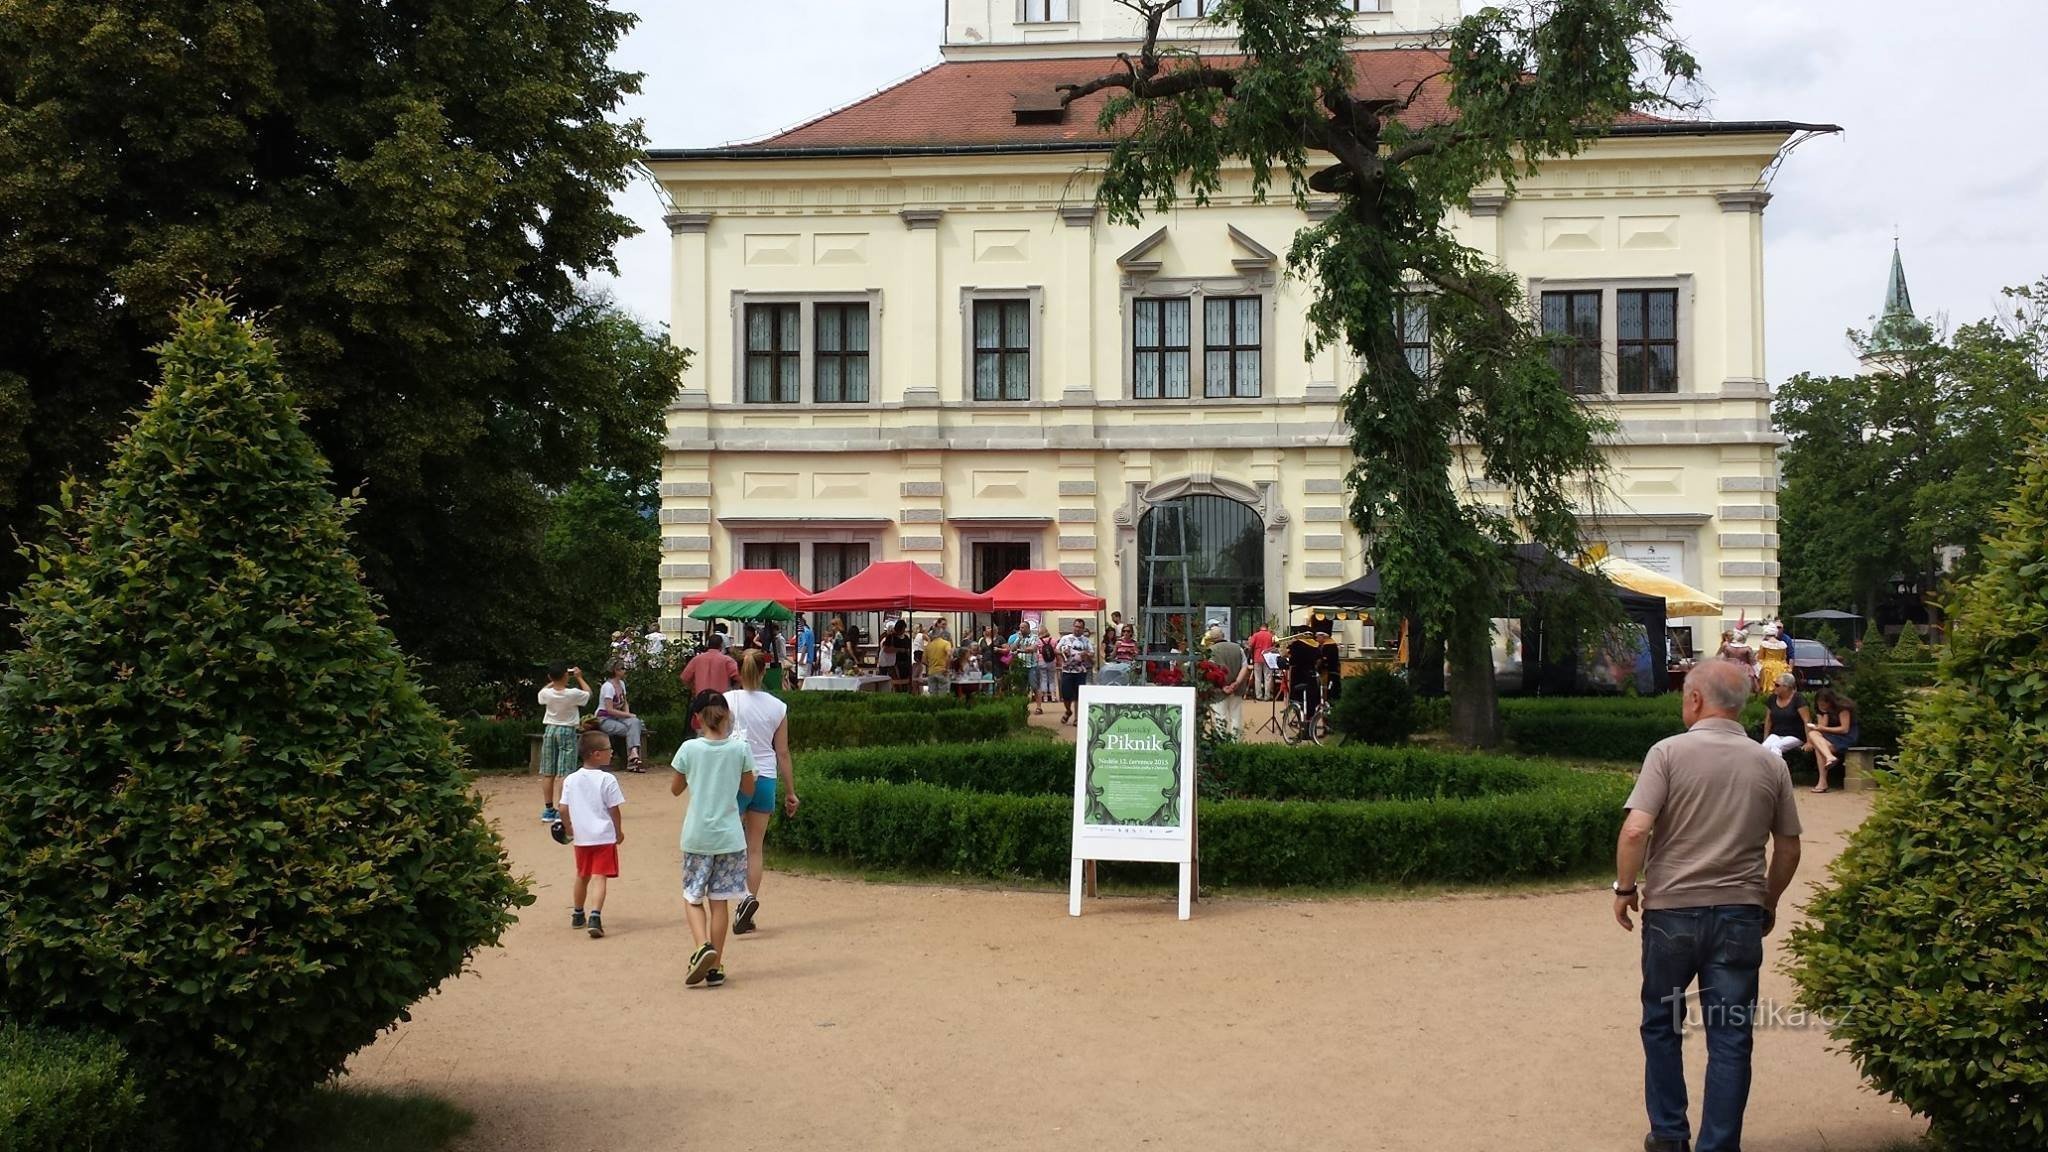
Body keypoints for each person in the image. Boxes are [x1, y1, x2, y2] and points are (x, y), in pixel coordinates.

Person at [1613, 659, 1802, 1152]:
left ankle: (1670, 1135)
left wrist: (1625, 889)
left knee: (1662, 1022)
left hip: (1672, 911)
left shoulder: (1668, 753)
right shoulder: (1770, 762)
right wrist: (1768, 899)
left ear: (1695, 699)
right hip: (1739, 911)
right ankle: (1718, 1145)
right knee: (1731, 1038)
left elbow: (1636, 829)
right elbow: (1789, 847)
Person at [670, 690, 755, 988]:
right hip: (730, 836)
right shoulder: (740, 749)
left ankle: (701, 945)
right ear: (726, 716)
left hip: (697, 836)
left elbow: (675, 789)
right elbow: (748, 790)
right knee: (719, 902)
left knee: (693, 896)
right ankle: (715, 966)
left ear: (697, 718)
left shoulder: (688, 749)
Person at [725, 650, 801, 935]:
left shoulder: (727, 699)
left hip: (735, 775)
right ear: (764, 670)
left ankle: (741, 897)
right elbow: (782, 751)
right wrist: (791, 791)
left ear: (738, 670)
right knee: (755, 847)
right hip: (766, 776)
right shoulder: (777, 706)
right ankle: (748, 904)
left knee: (730, 844)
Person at [557, 729, 626, 939]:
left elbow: (562, 808)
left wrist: (568, 828)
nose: (611, 753)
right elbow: (614, 809)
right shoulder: (608, 779)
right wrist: (618, 832)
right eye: (609, 750)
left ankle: (578, 914)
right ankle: (595, 915)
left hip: (582, 837)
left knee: (582, 875)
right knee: (600, 877)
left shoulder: (570, 779)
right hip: (603, 837)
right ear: (596, 754)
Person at [536, 662, 590, 824]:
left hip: (550, 730)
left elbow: (541, 693)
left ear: (550, 677)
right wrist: (579, 677)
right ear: (566, 675)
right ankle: (562, 809)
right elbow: (588, 693)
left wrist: (553, 680)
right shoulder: (572, 693)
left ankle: (548, 809)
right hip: (567, 731)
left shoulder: (547, 694)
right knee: (564, 772)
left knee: (548, 772)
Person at [680, 634, 739, 733]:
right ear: (721, 645)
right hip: (721, 701)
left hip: (701, 700)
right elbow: (739, 677)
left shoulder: (697, 659)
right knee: (722, 731)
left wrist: (693, 689)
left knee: (702, 732)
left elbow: (684, 678)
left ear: (708, 644)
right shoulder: (727, 660)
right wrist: (734, 689)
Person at [595, 660, 645, 772]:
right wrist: (628, 715)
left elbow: (625, 702)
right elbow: (609, 709)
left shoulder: (621, 684)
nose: (625, 671)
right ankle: (633, 760)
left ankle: (633, 754)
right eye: (622, 668)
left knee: (635, 722)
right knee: (632, 730)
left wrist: (628, 716)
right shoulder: (607, 686)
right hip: (605, 718)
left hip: (618, 717)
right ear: (615, 671)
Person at [1806, 687, 1859, 794]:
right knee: (1813, 734)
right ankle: (1829, 758)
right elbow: (1821, 728)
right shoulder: (1821, 710)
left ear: (1831, 701)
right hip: (1830, 737)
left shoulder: (1842, 708)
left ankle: (1822, 782)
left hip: (1846, 737)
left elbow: (1844, 729)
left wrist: (1822, 729)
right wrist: (1824, 715)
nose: (1821, 705)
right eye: (1819, 702)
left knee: (1818, 747)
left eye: (1824, 703)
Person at [1204, 620, 1250, 738]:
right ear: (1223, 635)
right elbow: (1245, 667)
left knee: (1220, 717)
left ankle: (1222, 742)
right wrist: (1236, 683)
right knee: (1236, 716)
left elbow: (1211, 671)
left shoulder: (1211, 651)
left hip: (1219, 690)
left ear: (1211, 639)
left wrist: (1223, 686)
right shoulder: (1237, 648)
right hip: (1237, 688)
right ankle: (1236, 743)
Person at [1758, 672, 1812, 764]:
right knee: (1764, 748)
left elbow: (1807, 720)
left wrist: (1809, 742)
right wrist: (1765, 738)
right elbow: (1768, 720)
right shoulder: (1772, 698)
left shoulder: (1798, 699)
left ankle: (1779, 773)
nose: (1774, 687)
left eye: (1777, 685)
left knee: (1776, 747)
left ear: (1787, 687)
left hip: (1795, 735)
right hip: (1776, 734)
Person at [1055, 618, 1095, 726]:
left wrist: (1085, 654)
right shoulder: (1065, 638)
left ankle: (1077, 718)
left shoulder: (1085, 640)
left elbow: (1092, 653)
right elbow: (1056, 650)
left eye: (1079, 627)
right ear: (1073, 627)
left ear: (1083, 629)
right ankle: (1068, 711)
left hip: (1080, 671)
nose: (1077, 629)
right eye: (1076, 626)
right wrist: (1062, 652)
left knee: (1078, 695)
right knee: (1066, 695)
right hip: (1067, 670)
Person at [1285, 628, 1322, 741]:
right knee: (1311, 703)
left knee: (1297, 702)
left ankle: (1302, 731)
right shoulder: (1316, 645)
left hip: (1298, 676)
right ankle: (1312, 731)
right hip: (1311, 676)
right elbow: (1318, 661)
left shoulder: (1296, 645)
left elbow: (1290, 661)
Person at [1248, 619, 1276, 701]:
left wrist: (1251, 654)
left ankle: (1259, 695)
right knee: (1268, 677)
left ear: (1261, 627)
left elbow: (1250, 646)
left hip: (1257, 658)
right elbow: (1274, 647)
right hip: (1268, 658)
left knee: (1257, 677)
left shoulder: (1256, 635)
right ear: (1267, 627)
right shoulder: (1270, 635)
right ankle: (1267, 696)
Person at [795, 618, 815, 683]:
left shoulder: (804, 632)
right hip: (808, 659)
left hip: (804, 659)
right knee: (806, 680)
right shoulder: (809, 631)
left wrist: (801, 659)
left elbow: (804, 646)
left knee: (801, 680)